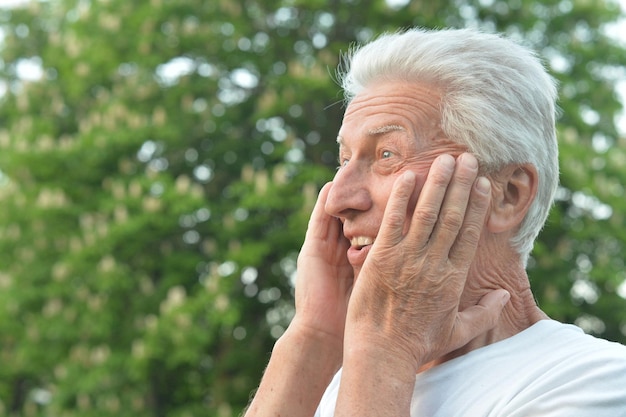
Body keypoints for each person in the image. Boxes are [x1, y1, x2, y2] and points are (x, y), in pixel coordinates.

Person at [244, 27, 626, 416]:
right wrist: (315, 335)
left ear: (508, 194)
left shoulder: (593, 381)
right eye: (343, 160)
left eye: (387, 155)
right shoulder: (336, 385)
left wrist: (385, 349)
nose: (338, 200)